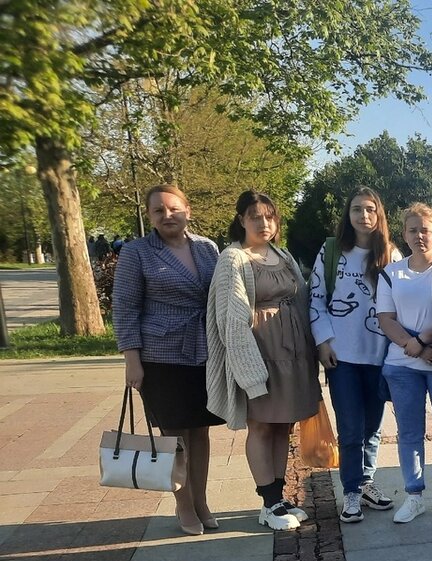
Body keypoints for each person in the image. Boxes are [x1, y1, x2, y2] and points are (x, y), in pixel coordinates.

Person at [206, 190, 320, 531]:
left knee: (283, 424)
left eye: (270, 216)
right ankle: (267, 503)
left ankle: (279, 496)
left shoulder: (281, 254)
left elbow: (301, 300)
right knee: (261, 424)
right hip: (259, 352)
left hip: (292, 352)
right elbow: (231, 318)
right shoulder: (233, 258)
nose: (264, 223)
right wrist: (248, 370)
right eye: (256, 216)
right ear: (242, 219)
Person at [113, 184, 221, 536]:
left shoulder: (207, 248)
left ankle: (202, 500)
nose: (167, 215)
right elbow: (125, 308)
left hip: (205, 350)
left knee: (201, 431)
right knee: (173, 435)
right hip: (161, 355)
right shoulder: (137, 253)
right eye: (158, 210)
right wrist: (132, 359)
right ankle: (183, 504)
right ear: (150, 217)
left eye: (173, 208)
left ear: (187, 209)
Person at [309, 187, 395, 523]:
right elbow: (315, 298)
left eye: (370, 209)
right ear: (348, 214)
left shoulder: (390, 253)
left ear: (379, 214)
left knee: (373, 428)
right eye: (357, 209)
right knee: (350, 427)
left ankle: (367, 481)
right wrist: (323, 342)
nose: (364, 215)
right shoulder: (332, 252)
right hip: (341, 356)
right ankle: (351, 492)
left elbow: (401, 303)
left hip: (379, 355)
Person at [378, 203, 432, 531]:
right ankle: (413, 495)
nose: (419, 236)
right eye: (413, 230)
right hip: (402, 366)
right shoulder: (391, 273)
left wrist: (422, 343)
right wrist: (414, 348)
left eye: (425, 229)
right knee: (409, 433)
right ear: (404, 234)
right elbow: (386, 319)